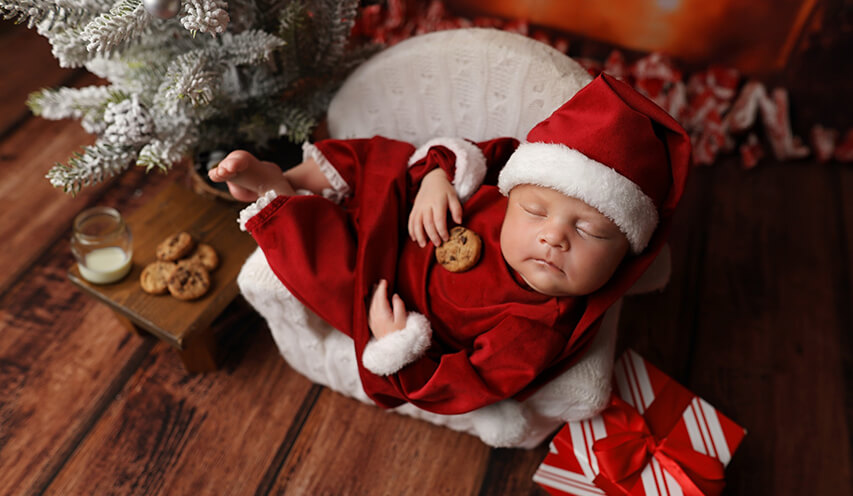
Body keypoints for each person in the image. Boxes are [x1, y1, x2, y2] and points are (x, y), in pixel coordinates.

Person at [211, 73, 691, 415]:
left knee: (330, 272)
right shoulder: (510, 191)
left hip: (391, 291)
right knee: (382, 159)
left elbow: (469, 384)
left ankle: (278, 197)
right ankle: (291, 174)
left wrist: (397, 342)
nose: (554, 236)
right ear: (516, 194)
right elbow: (482, 153)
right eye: (536, 212)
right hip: (404, 219)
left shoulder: (535, 327)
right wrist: (439, 177)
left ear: (625, 254)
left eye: (591, 231)